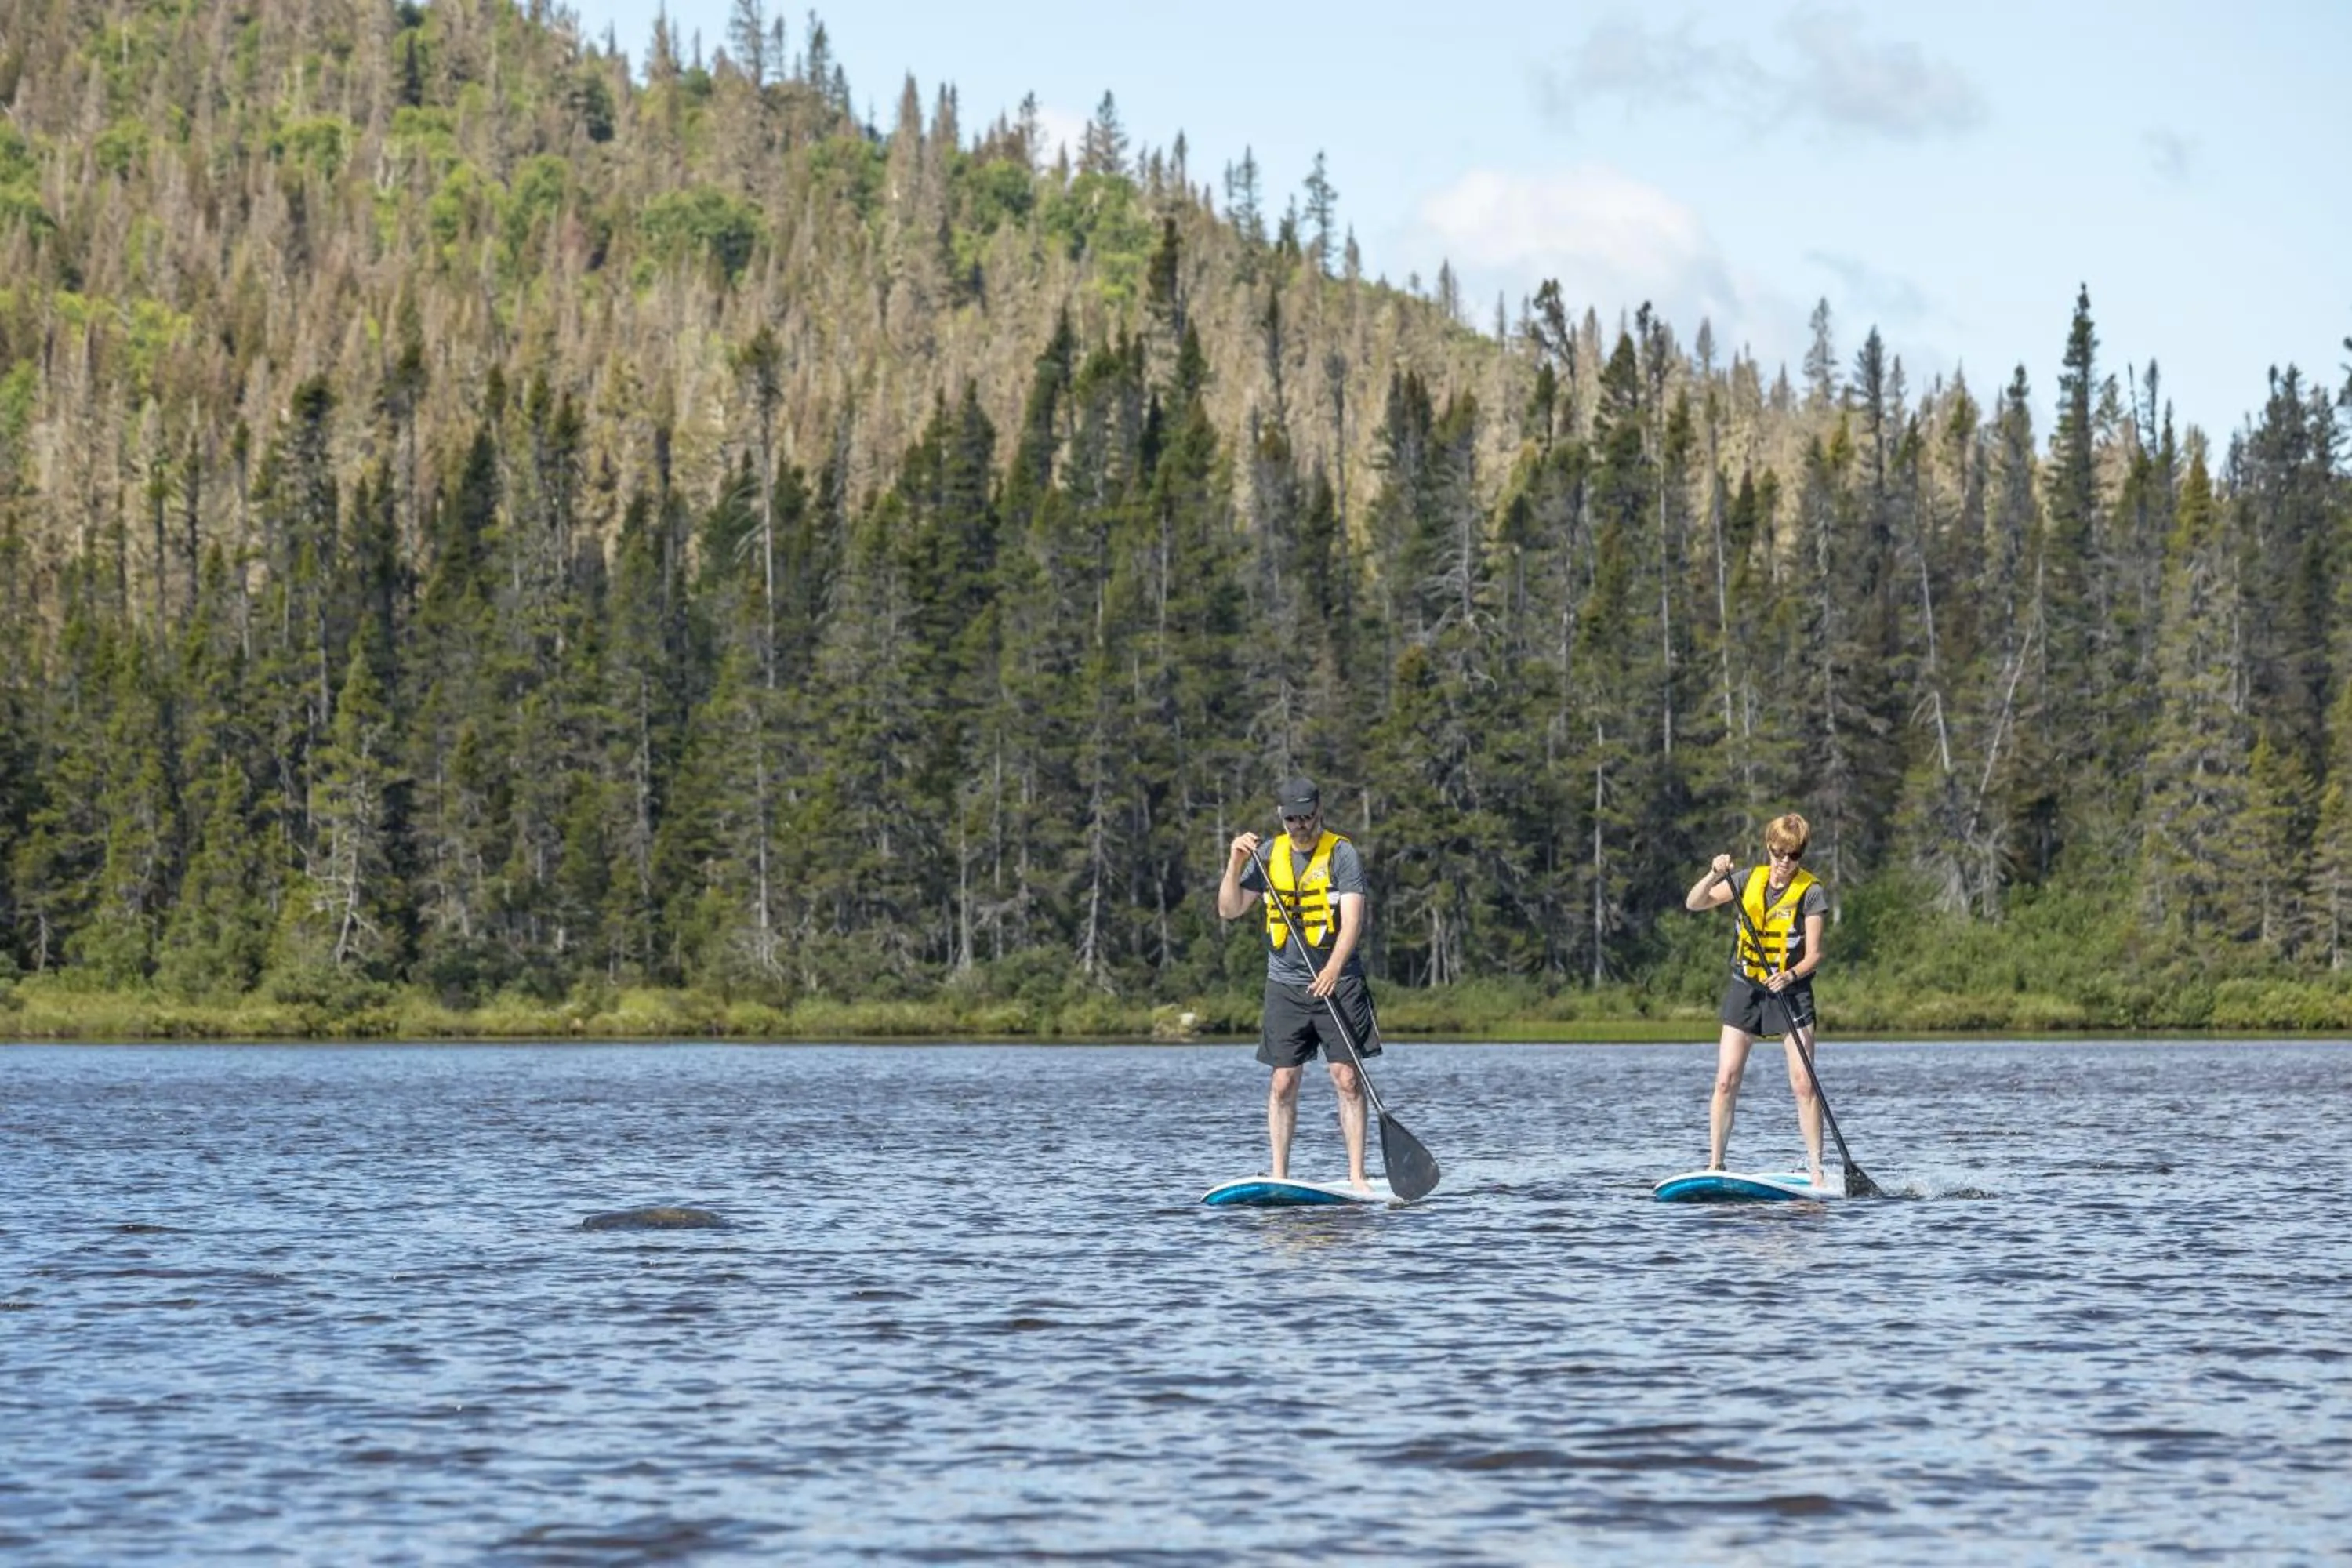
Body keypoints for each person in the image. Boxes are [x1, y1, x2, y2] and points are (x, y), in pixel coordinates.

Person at [1215, 777, 1380, 1194]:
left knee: (1346, 1078)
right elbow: (1229, 910)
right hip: (1285, 985)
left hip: (1338, 984)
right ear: (1281, 817)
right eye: (1292, 819)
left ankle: (1358, 1177)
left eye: (1307, 817)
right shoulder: (1268, 855)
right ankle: (1279, 1174)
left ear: (1319, 812)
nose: (1300, 825)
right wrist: (1235, 861)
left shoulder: (1342, 855)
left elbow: (1354, 920)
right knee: (1283, 1081)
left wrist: (1333, 970)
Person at [1683, 812, 1830, 1189]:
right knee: (1726, 1079)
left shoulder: (1811, 892)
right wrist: (1715, 873)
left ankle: (1817, 1170)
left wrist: (1791, 975)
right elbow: (1694, 903)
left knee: (1803, 1083)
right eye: (1779, 852)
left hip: (1791, 989)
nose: (1784, 862)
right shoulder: (1747, 879)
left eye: (1793, 855)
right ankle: (1716, 1163)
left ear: (1800, 855)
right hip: (1746, 987)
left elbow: (1814, 954)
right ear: (1769, 848)